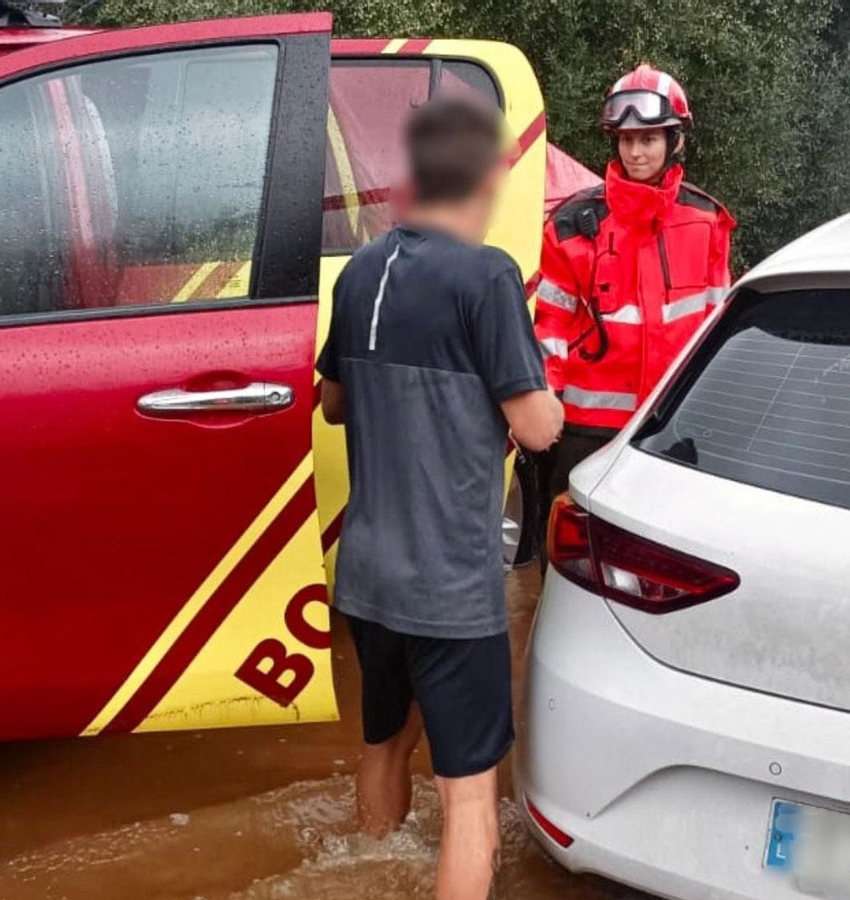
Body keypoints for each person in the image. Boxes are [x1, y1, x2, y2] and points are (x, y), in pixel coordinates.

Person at [314, 96, 564, 900]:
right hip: (450, 592)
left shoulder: (359, 272)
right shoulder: (486, 274)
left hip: (369, 579)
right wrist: (541, 394)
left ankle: (370, 861)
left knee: (385, 744)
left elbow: (334, 403)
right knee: (470, 801)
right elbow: (536, 429)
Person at [533, 64, 737, 509]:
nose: (636, 153)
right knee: (572, 550)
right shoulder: (571, 224)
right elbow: (550, 326)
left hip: (672, 425)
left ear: (675, 141)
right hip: (587, 429)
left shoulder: (707, 222)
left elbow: (718, 330)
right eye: (626, 140)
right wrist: (545, 405)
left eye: (648, 139)